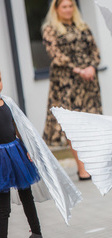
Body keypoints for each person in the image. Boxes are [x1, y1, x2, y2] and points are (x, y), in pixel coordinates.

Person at [41, 0, 102, 180]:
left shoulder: (83, 27)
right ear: (57, 9)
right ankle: (82, 168)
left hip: (88, 83)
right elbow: (56, 54)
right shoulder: (50, 29)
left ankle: (92, 164)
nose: (68, 9)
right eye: (64, 6)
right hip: (66, 84)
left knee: (90, 124)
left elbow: (95, 50)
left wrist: (91, 66)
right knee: (72, 126)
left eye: (70, 6)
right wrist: (78, 69)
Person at [0, 71, 43, 238]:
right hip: (1, 161)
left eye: (0, 80)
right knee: (3, 207)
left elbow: (18, 127)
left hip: (16, 154)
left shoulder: (8, 103)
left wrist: (26, 148)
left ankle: (37, 232)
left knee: (27, 195)